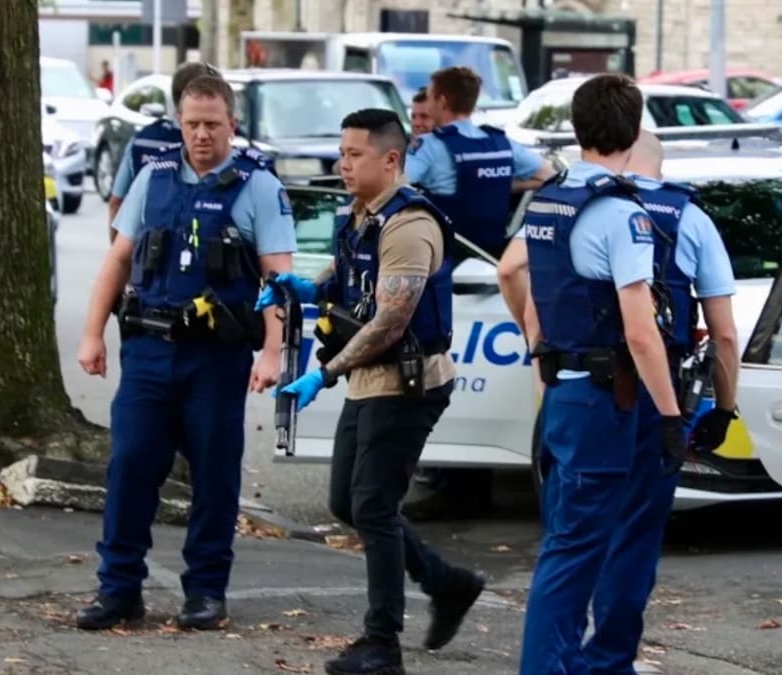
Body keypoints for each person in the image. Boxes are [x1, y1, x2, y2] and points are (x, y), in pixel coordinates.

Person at [258, 108, 485, 675]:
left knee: (373, 506)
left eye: (354, 155)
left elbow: (389, 320)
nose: (342, 163)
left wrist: (324, 373)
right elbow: (346, 282)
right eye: (342, 153)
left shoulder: (410, 225)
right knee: (345, 502)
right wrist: (303, 289)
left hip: (409, 385)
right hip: (371, 380)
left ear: (391, 160)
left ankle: (381, 643)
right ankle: (447, 582)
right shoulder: (362, 215)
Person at [74, 74, 297, 632]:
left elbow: (279, 280)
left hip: (215, 359)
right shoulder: (154, 179)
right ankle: (119, 589)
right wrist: (92, 332)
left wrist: (274, 352)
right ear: (179, 122)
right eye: (192, 123)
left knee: (214, 477)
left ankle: (205, 591)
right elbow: (119, 260)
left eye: (212, 124)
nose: (201, 134)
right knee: (130, 467)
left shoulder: (259, 187)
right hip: (150, 350)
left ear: (232, 124)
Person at [513, 73, 685, 674]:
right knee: (577, 551)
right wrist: (669, 415)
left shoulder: (550, 200)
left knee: (568, 545)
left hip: (565, 390)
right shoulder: (620, 215)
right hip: (604, 400)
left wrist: (547, 372)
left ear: (579, 129)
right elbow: (641, 331)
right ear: (633, 131)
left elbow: (535, 301)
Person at [579, 129, 740, 672]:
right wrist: (722, 407)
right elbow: (724, 336)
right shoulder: (689, 218)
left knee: (576, 526)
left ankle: (558, 652)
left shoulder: (580, 205)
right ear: (659, 167)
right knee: (637, 530)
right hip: (657, 390)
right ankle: (608, 659)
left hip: (582, 386)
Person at [406, 66, 555, 259]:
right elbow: (549, 176)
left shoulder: (429, 146)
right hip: (493, 260)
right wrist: (497, 184)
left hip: (444, 260)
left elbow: (392, 185)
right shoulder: (501, 144)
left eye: (430, 96)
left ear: (441, 101)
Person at [108, 61, 219, 239]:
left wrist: (120, 256)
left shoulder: (142, 141)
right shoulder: (220, 143)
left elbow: (116, 203)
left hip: (146, 254)